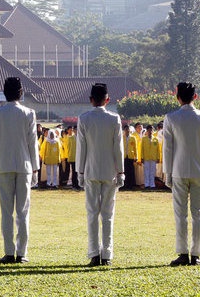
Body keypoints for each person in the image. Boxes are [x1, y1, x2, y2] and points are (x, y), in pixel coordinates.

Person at [162, 82, 200, 266]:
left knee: (180, 215)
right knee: (198, 215)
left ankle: (183, 253)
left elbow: (167, 149)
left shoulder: (171, 118)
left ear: (178, 97)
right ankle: (196, 254)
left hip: (178, 171)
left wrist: (167, 172)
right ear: (195, 97)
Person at [0, 77, 39, 264]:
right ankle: (22, 253)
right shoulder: (29, 113)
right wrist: (35, 169)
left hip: (3, 165)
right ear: (21, 93)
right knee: (23, 211)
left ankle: (9, 252)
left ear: (4, 92)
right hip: (25, 166)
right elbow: (33, 144)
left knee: (6, 212)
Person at [75, 83, 124, 267]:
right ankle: (107, 254)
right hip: (110, 171)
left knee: (92, 213)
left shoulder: (84, 118)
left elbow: (82, 149)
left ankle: (95, 253)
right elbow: (118, 148)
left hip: (91, 170)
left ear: (91, 100)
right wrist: (121, 171)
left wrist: (80, 171)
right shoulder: (114, 119)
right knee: (108, 214)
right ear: (107, 99)